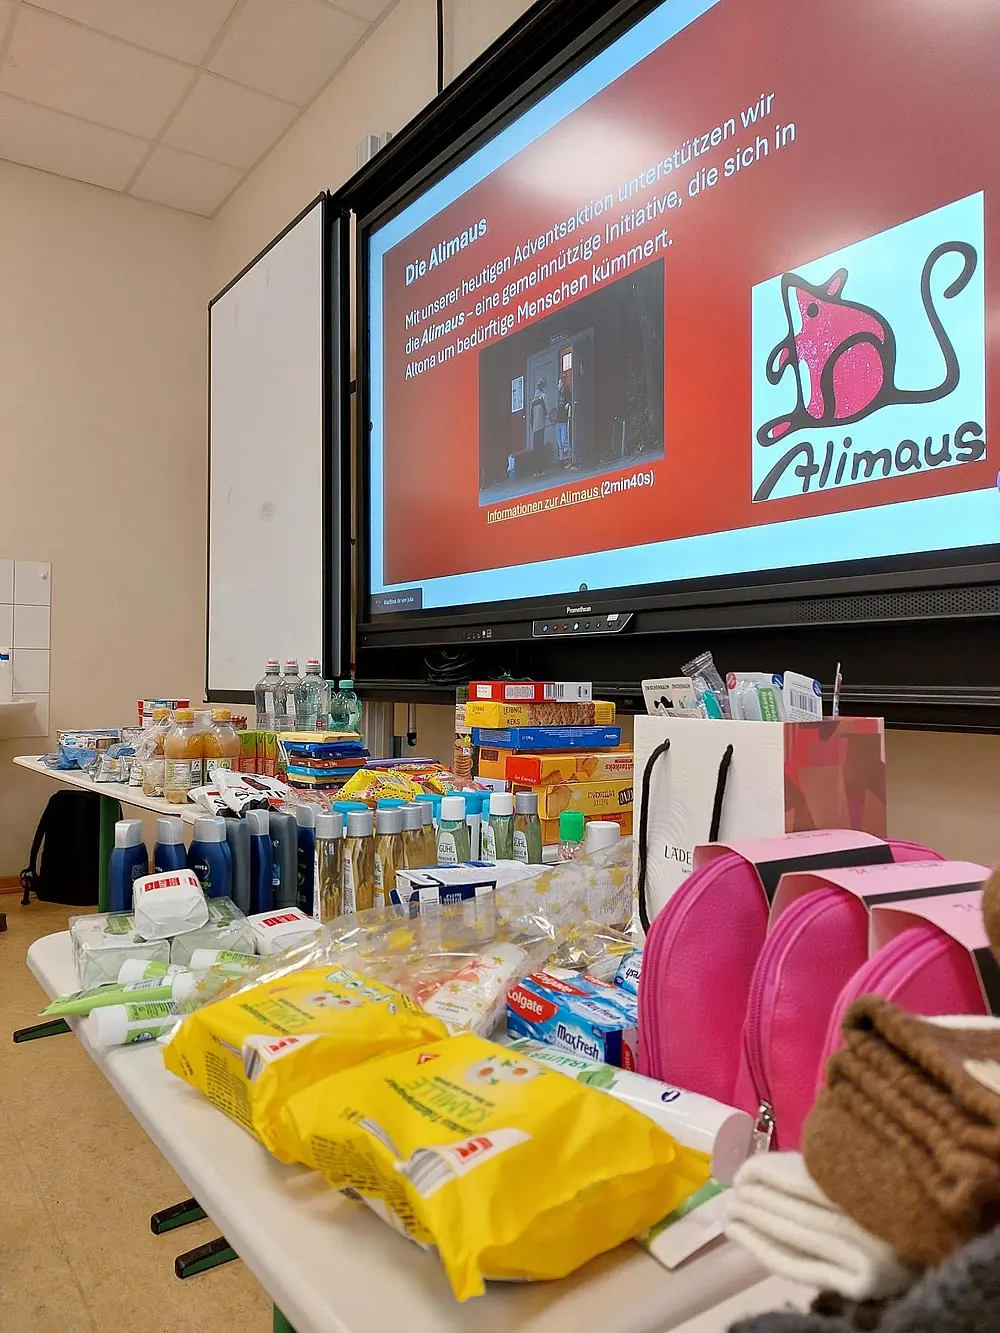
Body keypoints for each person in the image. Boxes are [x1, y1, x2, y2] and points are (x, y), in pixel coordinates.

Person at [530, 378, 548, 456]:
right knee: (540, 444)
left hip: (535, 426)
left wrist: (532, 425)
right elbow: (546, 411)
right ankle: (540, 459)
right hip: (541, 424)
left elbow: (531, 415)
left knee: (536, 445)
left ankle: (536, 460)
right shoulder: (543, 397)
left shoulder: (534, 400)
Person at [556, 377, 572, 465]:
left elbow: (570, 401)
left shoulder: (566, 392)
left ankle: (567, 458)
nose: (558, 385)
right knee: (559, 442)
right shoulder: (559, 394)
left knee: (564, 441)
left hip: (564, 419)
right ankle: (561, 460)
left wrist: (568, 404)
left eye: (559, 383)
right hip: (558, 420)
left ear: (562, 384)